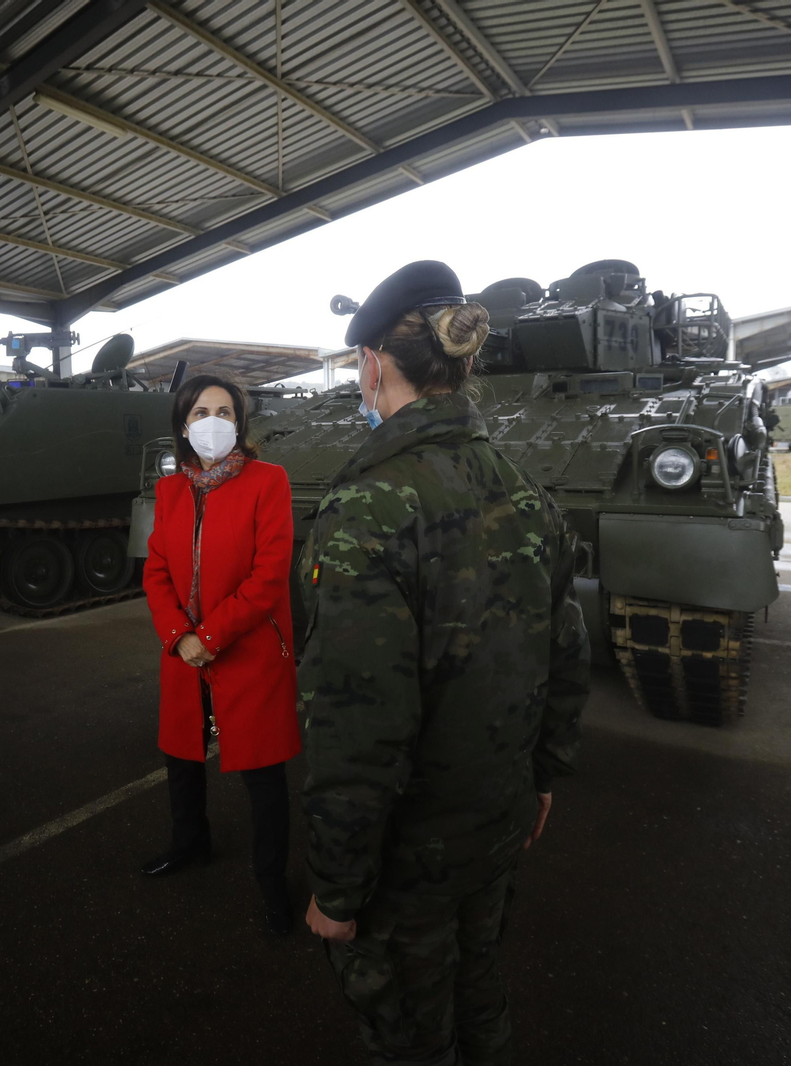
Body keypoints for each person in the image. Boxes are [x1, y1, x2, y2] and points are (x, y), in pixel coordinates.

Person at [297, 261, 591, 1064]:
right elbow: (567, 657)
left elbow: (359, 726)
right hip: (497, 823)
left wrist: (338, 884)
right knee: (480, 991)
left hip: (407, 857)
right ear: (461, 366)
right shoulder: (528, 493)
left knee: (408, 1032)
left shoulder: (366, 512)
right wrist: (542, 778)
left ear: (373, 364)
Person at [141, 373, 301, 936]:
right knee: (182, 759)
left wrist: (209, 638)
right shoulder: (169, 491)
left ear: (241, 422)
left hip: (249, 648)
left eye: (226, 412)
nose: (214, 421)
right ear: (184, 425)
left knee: (263, 776)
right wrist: (180, 637)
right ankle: (190, 844)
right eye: (202, 411)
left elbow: (268, 576)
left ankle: (272, 882)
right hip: (183, 651)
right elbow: (156, 569)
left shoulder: (268, 481)